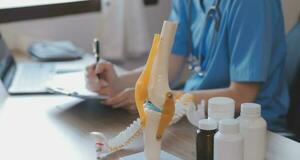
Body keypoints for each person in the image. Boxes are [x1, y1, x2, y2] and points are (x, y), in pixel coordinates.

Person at [85, 0, 289, 132]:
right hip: (196, 117)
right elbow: (169, 66)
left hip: (249, 130)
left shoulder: (252, 4)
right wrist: (118, 82)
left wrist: (166, 100)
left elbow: (242, 95)